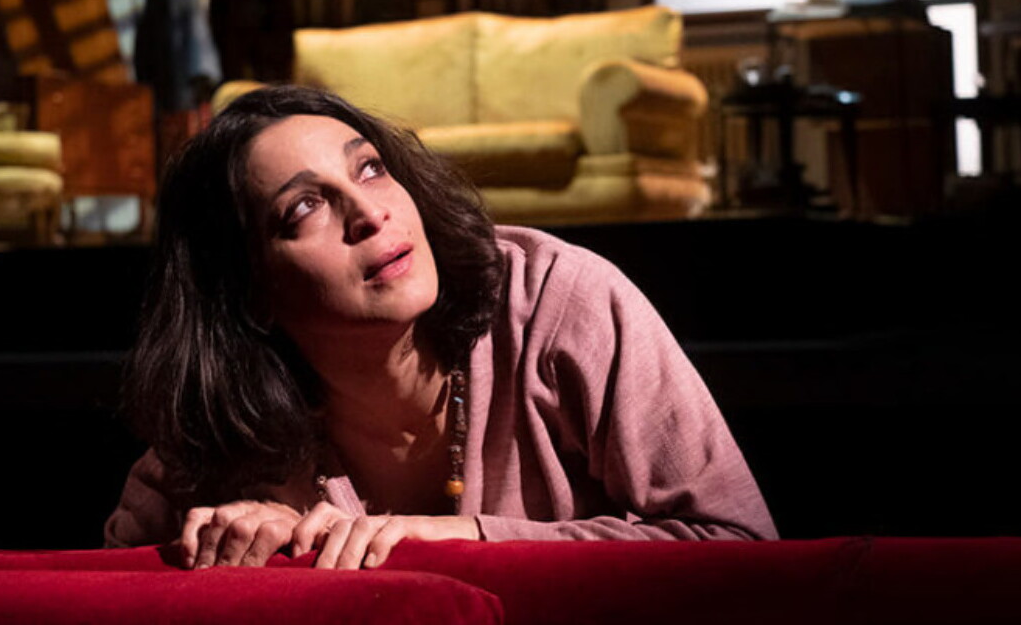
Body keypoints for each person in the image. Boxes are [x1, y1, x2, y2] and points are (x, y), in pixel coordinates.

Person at [105, 85, 776, 570]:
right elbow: (109, 582)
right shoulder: (219, 422)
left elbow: (742, 548)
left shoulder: (559, 300)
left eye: (370, 168)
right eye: (305, 207)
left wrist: (461, 539)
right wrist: (245, 549)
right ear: (248, 293)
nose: (370, 212)